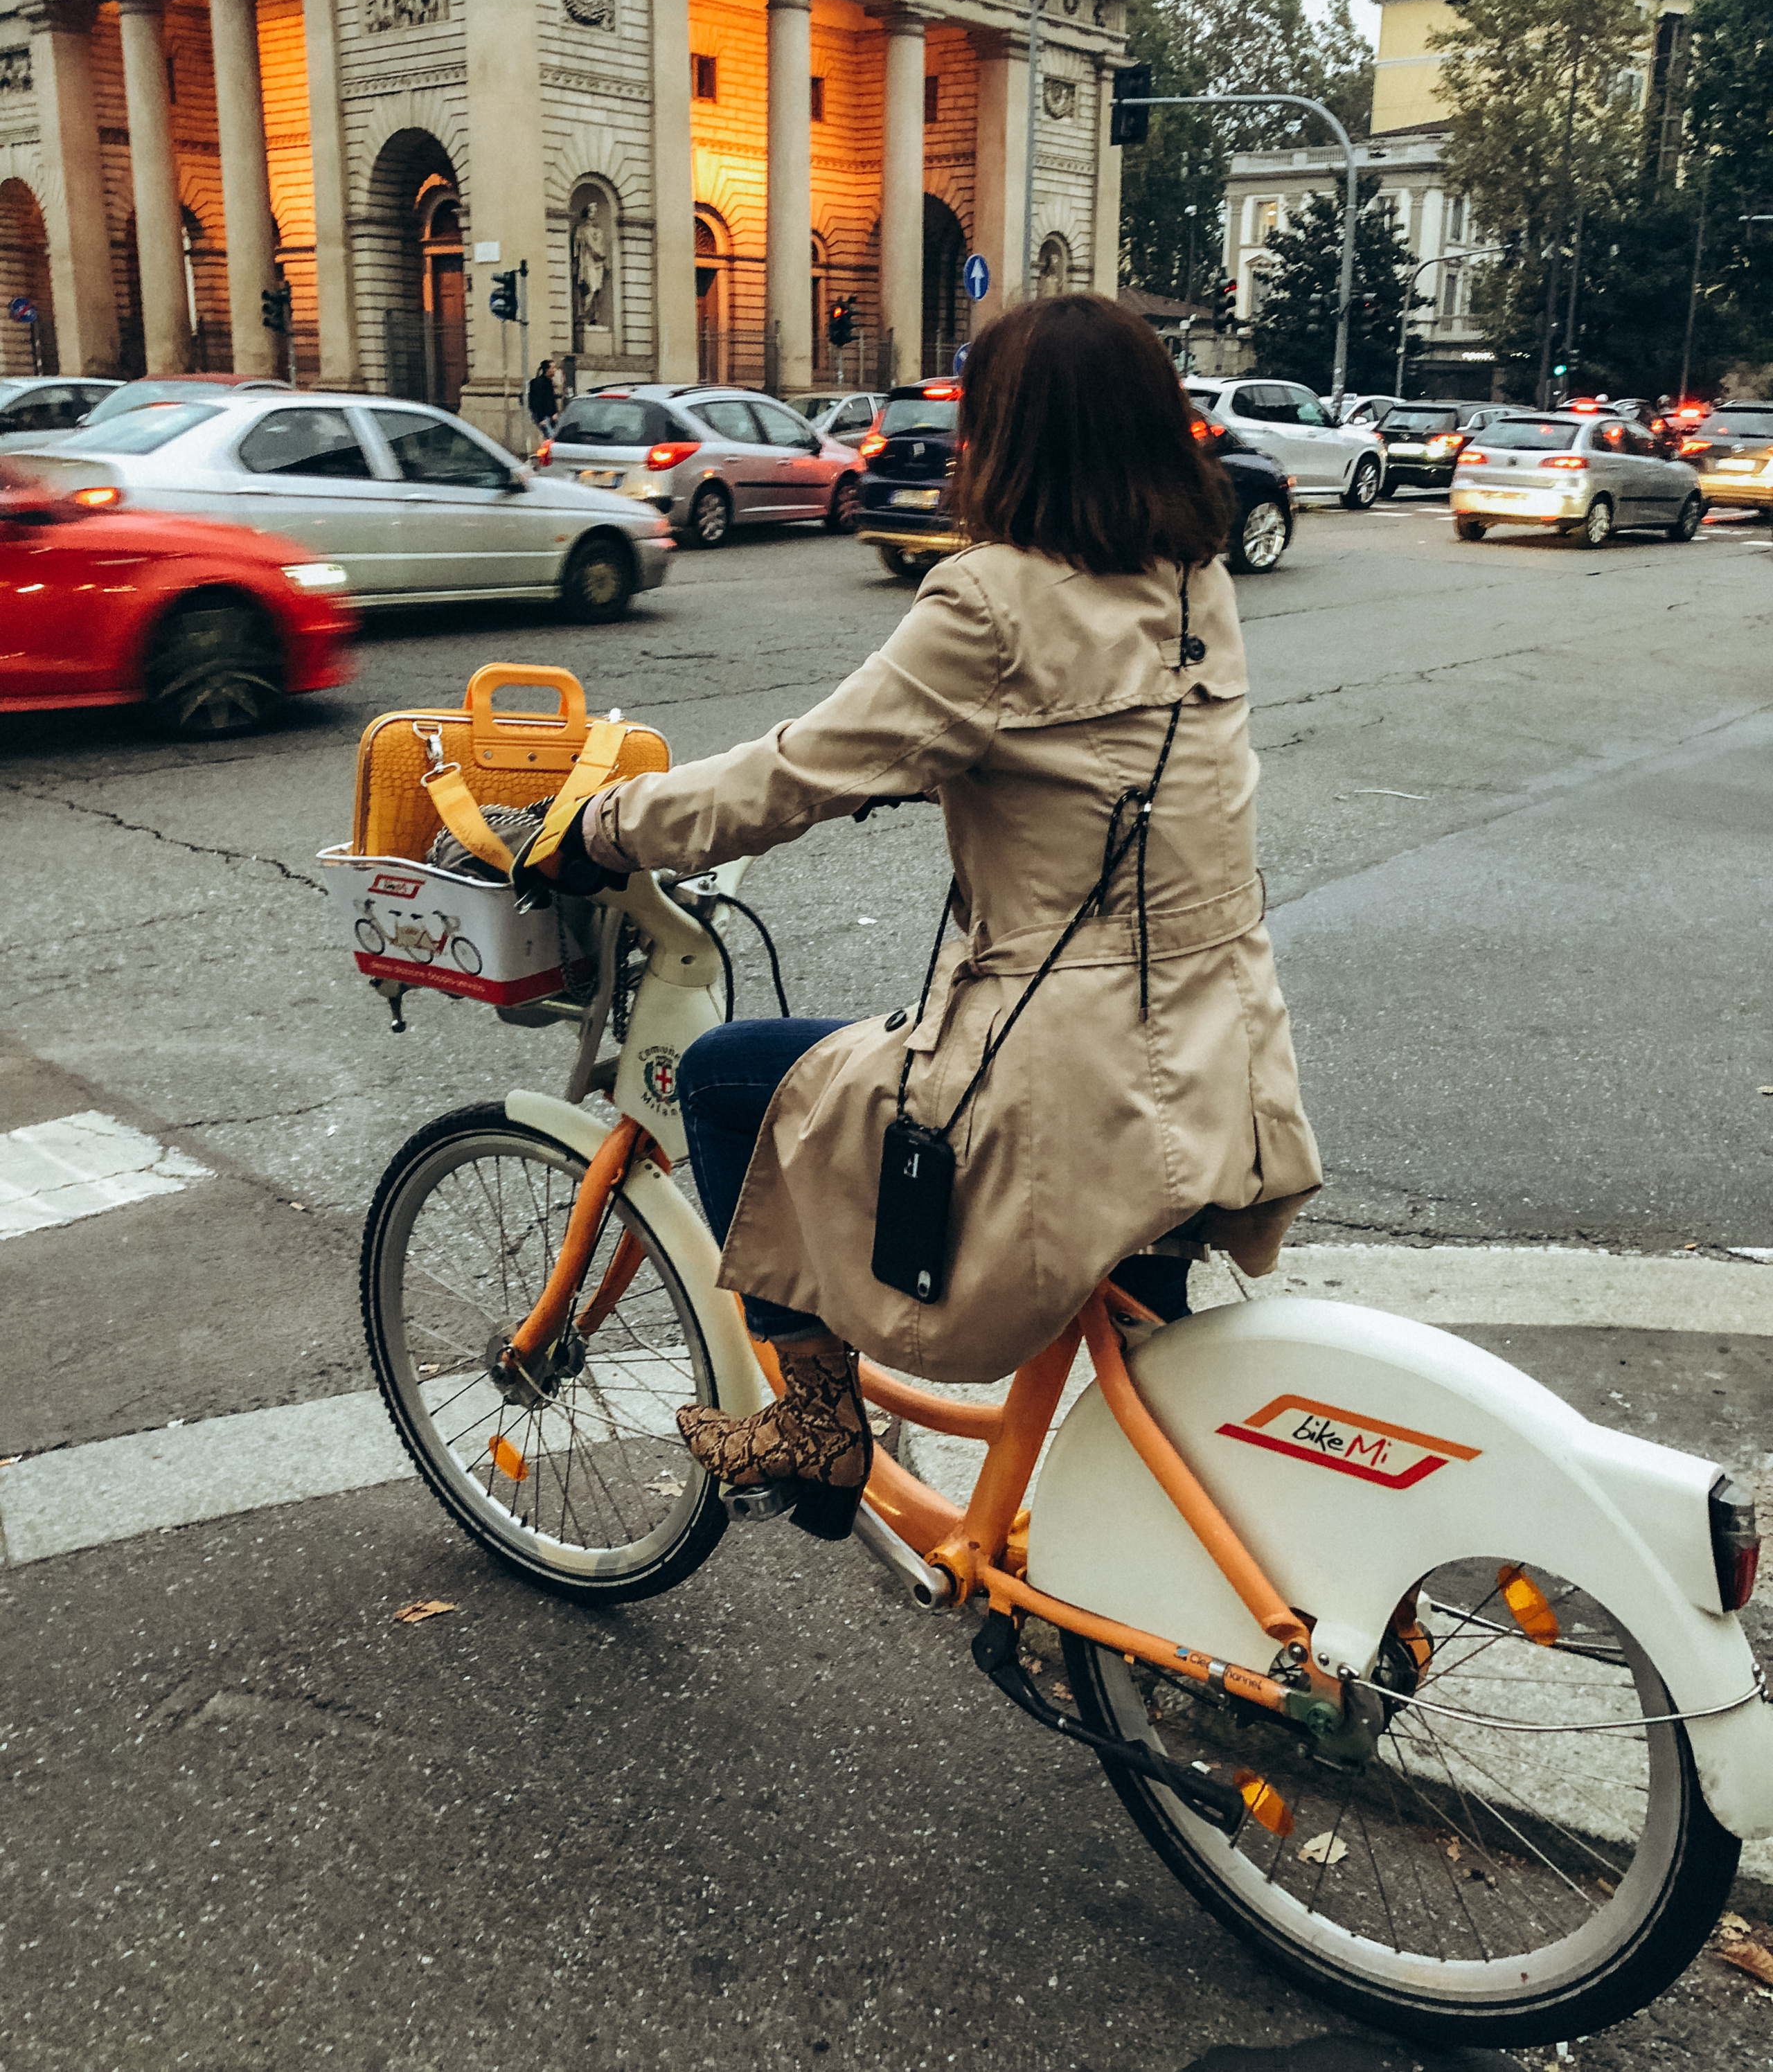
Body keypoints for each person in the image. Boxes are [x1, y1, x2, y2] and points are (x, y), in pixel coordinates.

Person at [525, 292, 1321, 1541]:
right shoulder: (1192, 579)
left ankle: (817, 1424)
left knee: (735, 1076)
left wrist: (598, 829)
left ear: (1012, 437)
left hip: (1068, 1063)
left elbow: (788, 774)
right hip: (1224, 1045)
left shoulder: (991, 603)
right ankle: (1171, 1566)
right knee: (1142, 1312)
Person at [526, 359, 557, 439]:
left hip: (549, 417)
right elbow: (537, 401)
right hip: (544, 416)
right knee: (551, 438)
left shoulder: (548, 382)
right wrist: (540, 419)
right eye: (553, 368)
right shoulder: (539, 383)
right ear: (547, 370)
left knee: (550, 437)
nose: (555, 370)